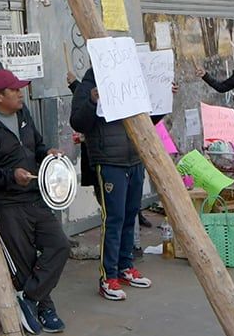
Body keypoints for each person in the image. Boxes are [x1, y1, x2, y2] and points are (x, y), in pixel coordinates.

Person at [0, 68, 70, 335]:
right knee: (24, 260)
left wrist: (47, 152)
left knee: (59, 245)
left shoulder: (23, 115)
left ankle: (31, 298)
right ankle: (45, 308)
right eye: (14, 90)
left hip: (35, 197)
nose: (20, 93)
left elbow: (36, 145)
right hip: (8, 205)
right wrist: (10, 176)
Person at [68, 67, 164, 302]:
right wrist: (92, 99)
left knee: (130, 215)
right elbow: (78, 122)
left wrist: (163, 100)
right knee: (114, 219)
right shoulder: (88, 84)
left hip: (134, 158)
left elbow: (148, 120)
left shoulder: (130, 80)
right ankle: (107, 277)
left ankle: (125, 267)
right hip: (109, 161)